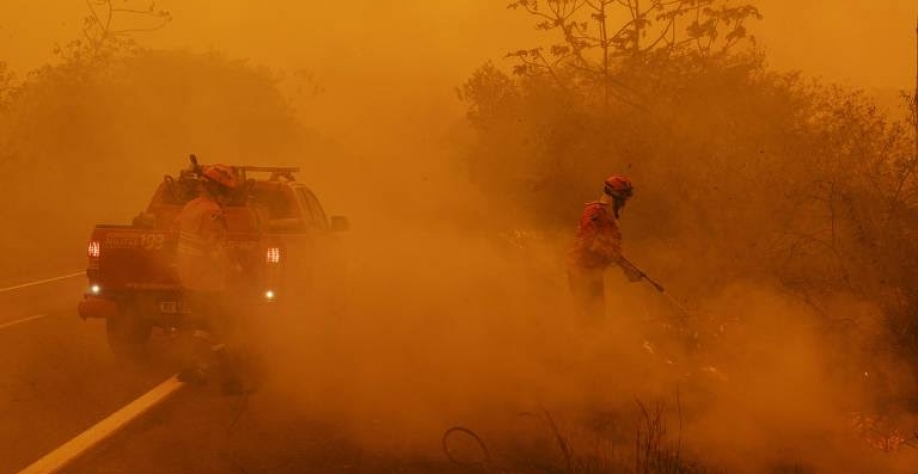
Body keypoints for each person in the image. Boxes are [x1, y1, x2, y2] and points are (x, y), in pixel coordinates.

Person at [173, 163, 244, 394]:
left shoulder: (191, 206)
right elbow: (214, 248)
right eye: (226, 192)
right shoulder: (212, 212)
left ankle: (190, 368)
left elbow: (177, 230)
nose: (228, 197)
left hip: (188, 276)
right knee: (217, 327)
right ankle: (230, 381)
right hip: (207, 279)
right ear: (218, 190)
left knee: (202, 325)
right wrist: (234, 267)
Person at [567, 175, 643, 323]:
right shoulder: (593, 212)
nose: (625, 204)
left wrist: (627, 268)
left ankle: (593, 342)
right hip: (580, 271)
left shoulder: (611, 221)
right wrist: (614, 257)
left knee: (597, 317)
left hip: (594, 273)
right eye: (623, 199)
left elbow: (614, 250)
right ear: (614, 197)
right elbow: (589, 242)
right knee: (588, 315)